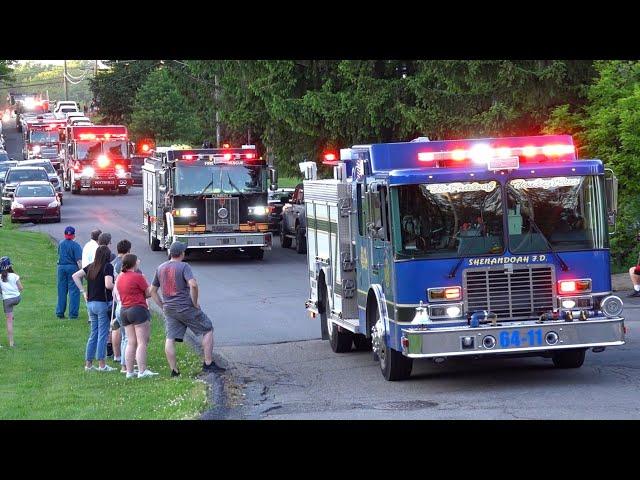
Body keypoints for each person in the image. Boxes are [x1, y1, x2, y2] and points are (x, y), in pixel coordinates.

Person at [150, 241, 225, 377]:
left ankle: (174, 370)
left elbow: (152, 291)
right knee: (207, 329)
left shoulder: (160, 268)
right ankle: (208, 363)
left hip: (169, 308)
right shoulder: (184, 266)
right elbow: (193, 285)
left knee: (170, 337)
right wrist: (195, 302)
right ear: (182, 253)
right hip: (185, 307)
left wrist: (162, 305)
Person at [72, 245, 116, 372]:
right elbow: (108, 284)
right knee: (103, 334)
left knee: (94, 333)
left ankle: (89, 364)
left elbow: (75, 275)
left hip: (91, 303)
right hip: (102, 303)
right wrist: (116, 286)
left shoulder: (91, 266)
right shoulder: (107, 266)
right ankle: (102, 364)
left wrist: (83, 291)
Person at [116, 254, 157, 378]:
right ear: (134, 263)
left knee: (130, 342)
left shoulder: (120, 277)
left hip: (124, 310)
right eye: (137, 260)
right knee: (142, 342)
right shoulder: (138, 277)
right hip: (138, 309)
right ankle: (142, 370)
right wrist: (154, 286)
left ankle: (129, 371)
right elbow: (148, 293)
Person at [111, 239, 142, 372]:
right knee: (130, 339)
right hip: (128, 304)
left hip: (119, 303)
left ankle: (122, 361)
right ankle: (127, 364)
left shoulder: (114, 265)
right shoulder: (132, 273)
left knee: (124, 336)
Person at [56, 226, 83, 319]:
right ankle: (73, 314)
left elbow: (59, 255)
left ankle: (60, 312)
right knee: (74, 291)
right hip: (72, 268)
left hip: (61, 268)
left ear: (65, 234)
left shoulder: (61, 243)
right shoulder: (76, 246)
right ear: (73, 235)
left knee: (62, 290)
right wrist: (82, 272)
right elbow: (79, 261)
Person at [0, 257, 23, 347]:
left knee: (9, 321)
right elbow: (21, 288)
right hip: (17, 299)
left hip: (7, 301)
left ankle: (11, 343)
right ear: (10, 266)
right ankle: (11, 315)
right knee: (11, 309)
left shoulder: (0, 277)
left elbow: (1, 291)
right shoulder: (14, 276)